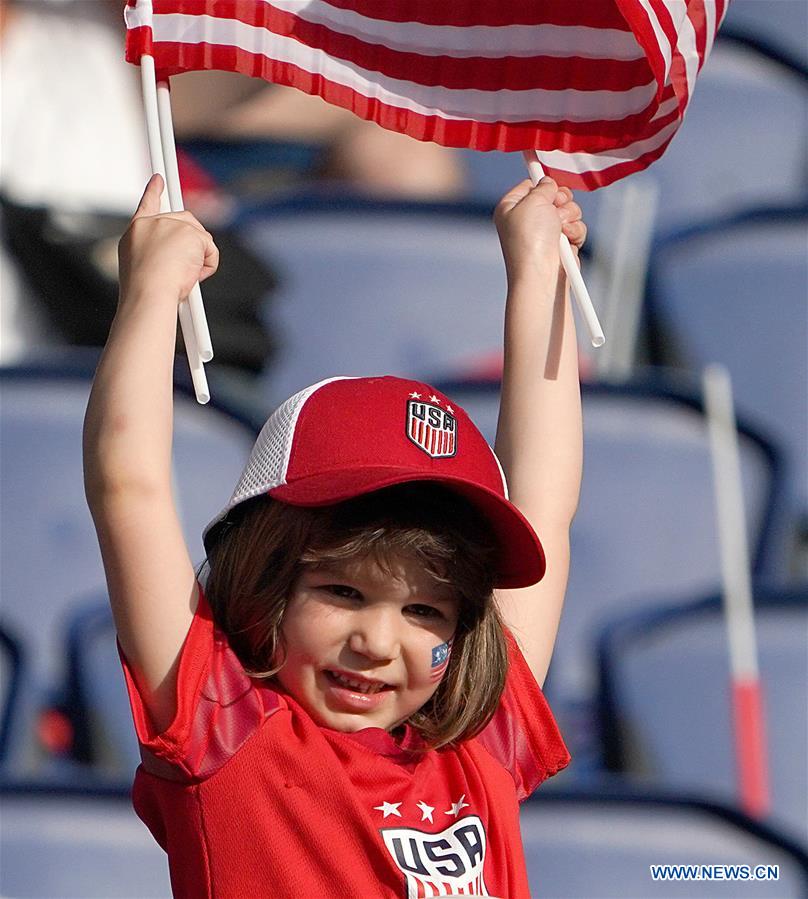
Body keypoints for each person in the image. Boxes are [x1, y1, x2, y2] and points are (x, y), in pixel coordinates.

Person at [83, 171, 585, 898]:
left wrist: (540, 268)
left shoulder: (482, 742)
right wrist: (150, 296)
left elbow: (544, 501)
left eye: (425, 611)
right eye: (343, 591)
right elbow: (127, 489)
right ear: (265, 580)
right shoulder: (224, 728)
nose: (378, 642)